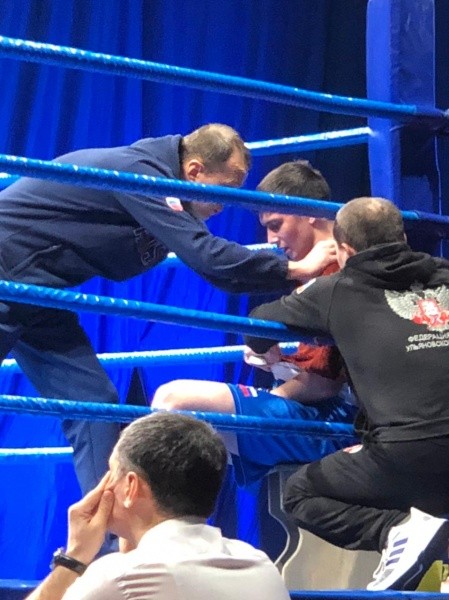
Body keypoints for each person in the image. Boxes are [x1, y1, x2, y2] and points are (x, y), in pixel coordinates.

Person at [0, 125, 333, 507]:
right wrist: (296, 270)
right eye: (227, 186)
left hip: (38, 291)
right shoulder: (145, 177)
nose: (226, 202)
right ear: (194, 171)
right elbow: (208, 257)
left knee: (94, 404)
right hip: (8, 272)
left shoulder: (164, 187)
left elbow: (215, 269)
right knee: (93, 405)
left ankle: (110, 532)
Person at [243, 196, 449, 591]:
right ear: (403, 238)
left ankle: (397, 531)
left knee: (300, 492)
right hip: (420, 457)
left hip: (407, 456)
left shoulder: (338, 288)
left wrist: (266, 348)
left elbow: (258, 325)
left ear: (345, 251)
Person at [152, 160, 357, 486]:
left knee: (173, 402)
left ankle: (154, 514)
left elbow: (325, 384)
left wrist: (272, 396)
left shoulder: (338, 271)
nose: (271, 239)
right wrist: (280, 362)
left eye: (276, 225)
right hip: (326, 414)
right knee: (187, 431)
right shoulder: (316, 269)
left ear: (309, 212)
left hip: (338, 423)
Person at [25, 412, 290, 600]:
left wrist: (74, 557)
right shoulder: (260, 563)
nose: (104, 486)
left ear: (131, 486)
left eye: (111, 472)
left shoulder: (122, 577)